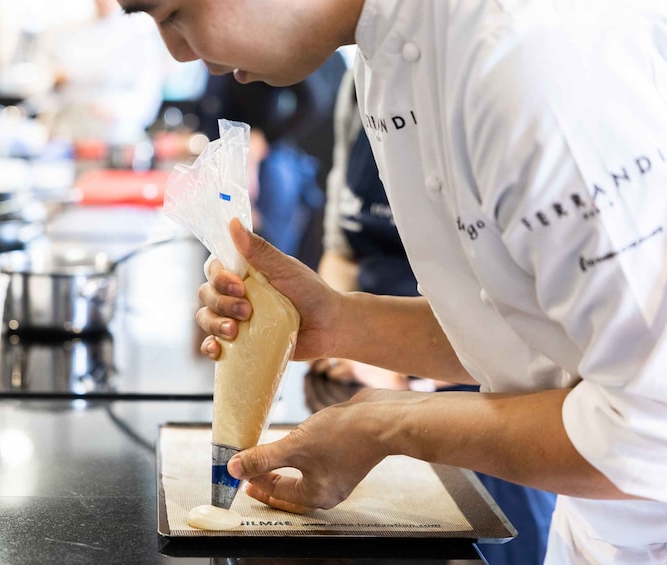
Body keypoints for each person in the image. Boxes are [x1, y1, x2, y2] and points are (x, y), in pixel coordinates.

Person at [117, 0, 667, 562]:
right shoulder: (385, 60)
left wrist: (388, 425)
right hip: (599, 532)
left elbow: (652, 429)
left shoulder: (531, 60)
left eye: (172, 12)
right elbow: (537, 335)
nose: (178, 50)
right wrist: (337, 322)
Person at [311, 69, 555, 565]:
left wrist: (377, 359)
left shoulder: (513, 82)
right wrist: (343, 339)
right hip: (376, 380)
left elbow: (538, 344)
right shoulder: (361, 81)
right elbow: (342, 249)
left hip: (500, 406)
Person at [193, 52, 345, 263]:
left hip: (266, 167)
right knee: (220, 260)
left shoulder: (258, 52)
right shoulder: (213, 65)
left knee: (270, 261)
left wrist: (264, 137)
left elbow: (314, 101)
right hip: (225, 167)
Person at [35, 0, 165, 147]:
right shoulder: (70, 31)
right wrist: (55, 80)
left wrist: (114, 110)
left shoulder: (140, 34)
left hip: (118, 139)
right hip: (71, 136)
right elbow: (46, 87)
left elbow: (148, 95)